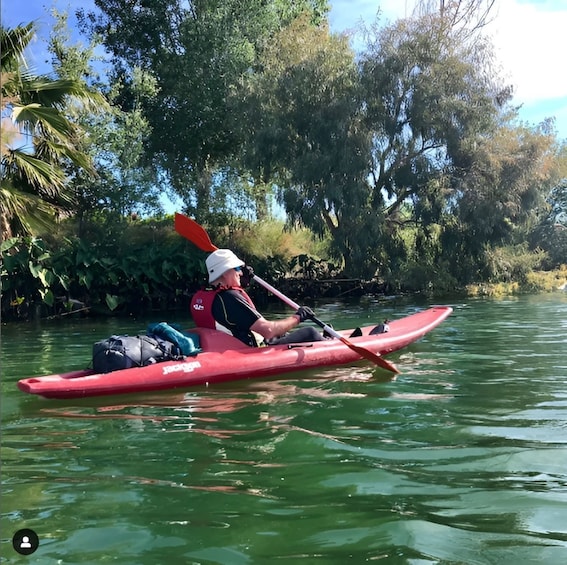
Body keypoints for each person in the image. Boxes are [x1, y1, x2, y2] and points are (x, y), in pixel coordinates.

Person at [190, 249, 325, 346]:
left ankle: (325, 337)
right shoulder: (230, 298)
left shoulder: (202, 296)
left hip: (224, 347)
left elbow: (231, 316)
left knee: (284, 333)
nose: (241, 272)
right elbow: (268, 331)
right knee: (310, 332)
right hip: (251, 350)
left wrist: (243, 282)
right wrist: (298, 317)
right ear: (225, 272)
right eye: (237, 268)